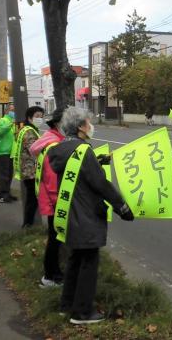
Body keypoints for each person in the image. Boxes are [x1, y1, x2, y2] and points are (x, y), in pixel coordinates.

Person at [48, 106, 134, 325]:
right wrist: (121, 206)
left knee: (75, 259)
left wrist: (98, 160)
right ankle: (82, 312)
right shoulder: (83, 151)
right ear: (80, 127)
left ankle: (67, 305)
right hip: (85, 214)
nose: (90, 126)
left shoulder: (61, 148)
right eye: (87, 122)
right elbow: (100, 184)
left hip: (69, 213)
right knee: (88, 262)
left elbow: (80, 169)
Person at [29, 108, 66, 287]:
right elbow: (53, 182)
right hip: (54, 201)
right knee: (55, 239)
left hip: (48, 199)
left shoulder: (49, 139)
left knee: (55, 237)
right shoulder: (54, 145)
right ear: (59, 124)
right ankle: (51, 276)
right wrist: (62, 204)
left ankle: (52, 273)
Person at [13, 106, 46, 227]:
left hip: (27, 168)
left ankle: (28, 223)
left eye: (41, 116)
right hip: (30, 169)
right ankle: (27, 224)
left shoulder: (26, 129)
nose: (40, 119)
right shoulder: (29, 131)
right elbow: (34, 149)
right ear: (29, 117)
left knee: (32, 197)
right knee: (32, 198)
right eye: (37, 116)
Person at [0, 104, 17, 203]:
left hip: (10, 152)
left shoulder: (11, 122)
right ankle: (2, 195)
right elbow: (0, 131)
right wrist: (11, 124)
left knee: (9, 173)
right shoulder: (2, 121)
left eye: (14, 110)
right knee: (4, 174)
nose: (14, 112)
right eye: (12, 110)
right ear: (6, 111)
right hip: (2, 151)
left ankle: (7, 192)